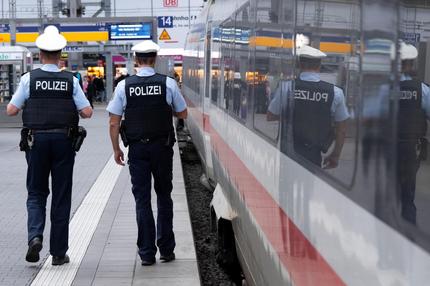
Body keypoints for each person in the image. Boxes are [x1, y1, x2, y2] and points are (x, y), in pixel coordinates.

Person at [6, 25, 92, 265]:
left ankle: (35, 236)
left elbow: (11, 110)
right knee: (61, 196)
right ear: (60, 54)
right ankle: (58, 253)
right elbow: (87, 112)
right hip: (64, 142)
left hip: (37, 142)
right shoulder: (70, 80)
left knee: (36, 193)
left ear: (39, 53)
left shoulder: (28, 79)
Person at [107, 40, 187, 266]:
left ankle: (146, 253)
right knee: (164, 196)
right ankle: (167, 250)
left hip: (138, 149)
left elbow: (114, 122)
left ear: (135, 60)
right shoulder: (168, 84)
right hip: (162, 148)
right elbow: (183, 114)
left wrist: (116, 149)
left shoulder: (124, 86)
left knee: (142, 200)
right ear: (155, 59)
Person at [267, 45, 349, 168]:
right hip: (314, 155)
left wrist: (292, 117)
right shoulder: (336, 93)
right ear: (319, 66)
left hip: (289, 152)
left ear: (300, 65)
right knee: (309, 184)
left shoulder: (287, 87)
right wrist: (335, 156)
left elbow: (270, 115)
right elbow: (341, 130)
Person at [397, 42, 430, 224]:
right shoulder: (422, 90)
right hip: (411, 148)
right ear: (411, 64)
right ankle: (408, 233)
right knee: (407, 192)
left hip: (388, 148)